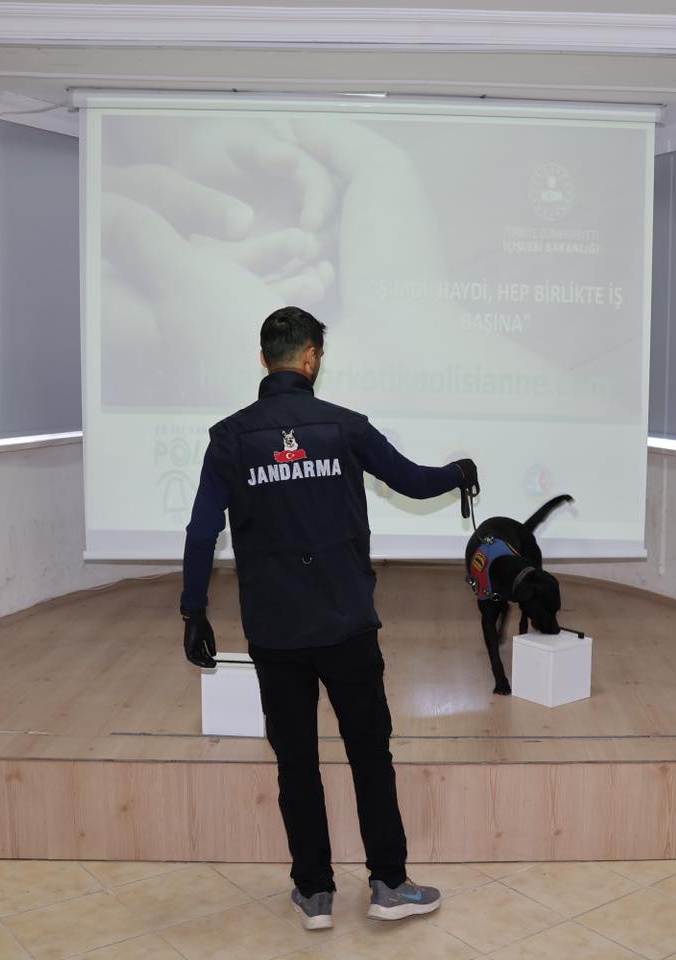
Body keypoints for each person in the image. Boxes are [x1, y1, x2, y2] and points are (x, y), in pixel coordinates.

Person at [178, 305, 478, 929]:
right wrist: (459, 473)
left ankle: (314, 893)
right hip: (346, 626)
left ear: (264, 359)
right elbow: (413, 481)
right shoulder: (345, 428)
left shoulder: (230, 437)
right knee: (370, 755)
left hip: (276, 633)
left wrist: (193, 609)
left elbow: (202, 531)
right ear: (312, 358)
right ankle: (388, 884)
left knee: (296, 764)